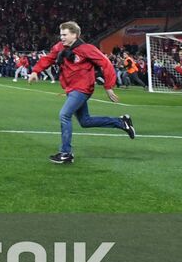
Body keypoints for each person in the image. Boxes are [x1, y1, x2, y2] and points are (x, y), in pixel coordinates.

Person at [29, 20, 135, 165]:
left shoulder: (87, 49)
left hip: (82, 88)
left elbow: (106, 63)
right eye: (61, 34)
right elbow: (48, 58)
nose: (61, 37)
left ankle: (66, 153)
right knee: (85, 121)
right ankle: (121, 122)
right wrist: (35, 71)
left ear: (75, 35)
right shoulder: (59, 47)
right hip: (71, 88)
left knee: (64, 115)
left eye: (65, 35)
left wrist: (108, 86)